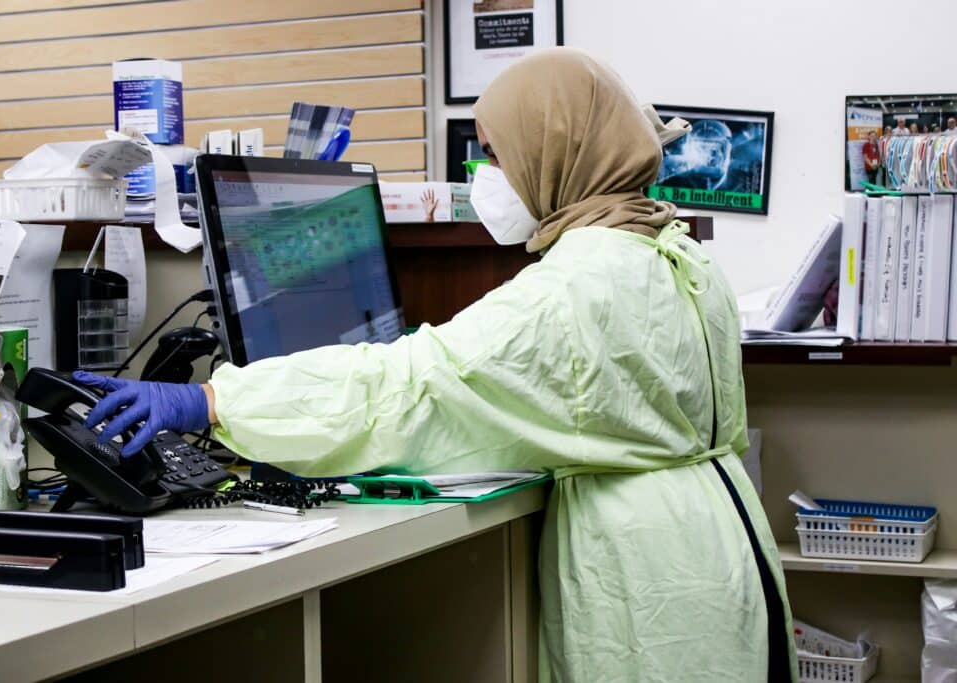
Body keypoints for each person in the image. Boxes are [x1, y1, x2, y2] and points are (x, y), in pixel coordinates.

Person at [75, 48, 797, 682]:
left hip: (650, 583)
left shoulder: (576, 286)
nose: (489, 175)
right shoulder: (678, 252)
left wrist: (212, 403)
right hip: (725, 552)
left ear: (557, 155)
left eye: (499, 155)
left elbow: (406, 388)